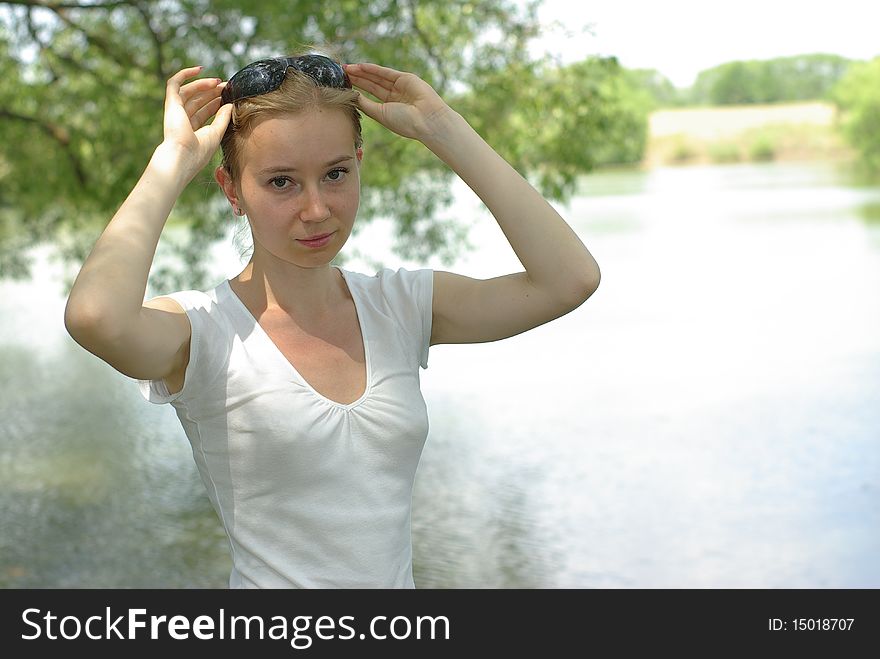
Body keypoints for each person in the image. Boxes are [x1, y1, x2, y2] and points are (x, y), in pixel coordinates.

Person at [64, 52, 600, 588]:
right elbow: (95, 317)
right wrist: (174, 161)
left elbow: (569, 279)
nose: (317, 208)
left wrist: (443, 129)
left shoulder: (400, 305)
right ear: (233, 190)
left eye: (335, 173)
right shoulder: (204, 331)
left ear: (358, 164)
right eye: (281, 182)